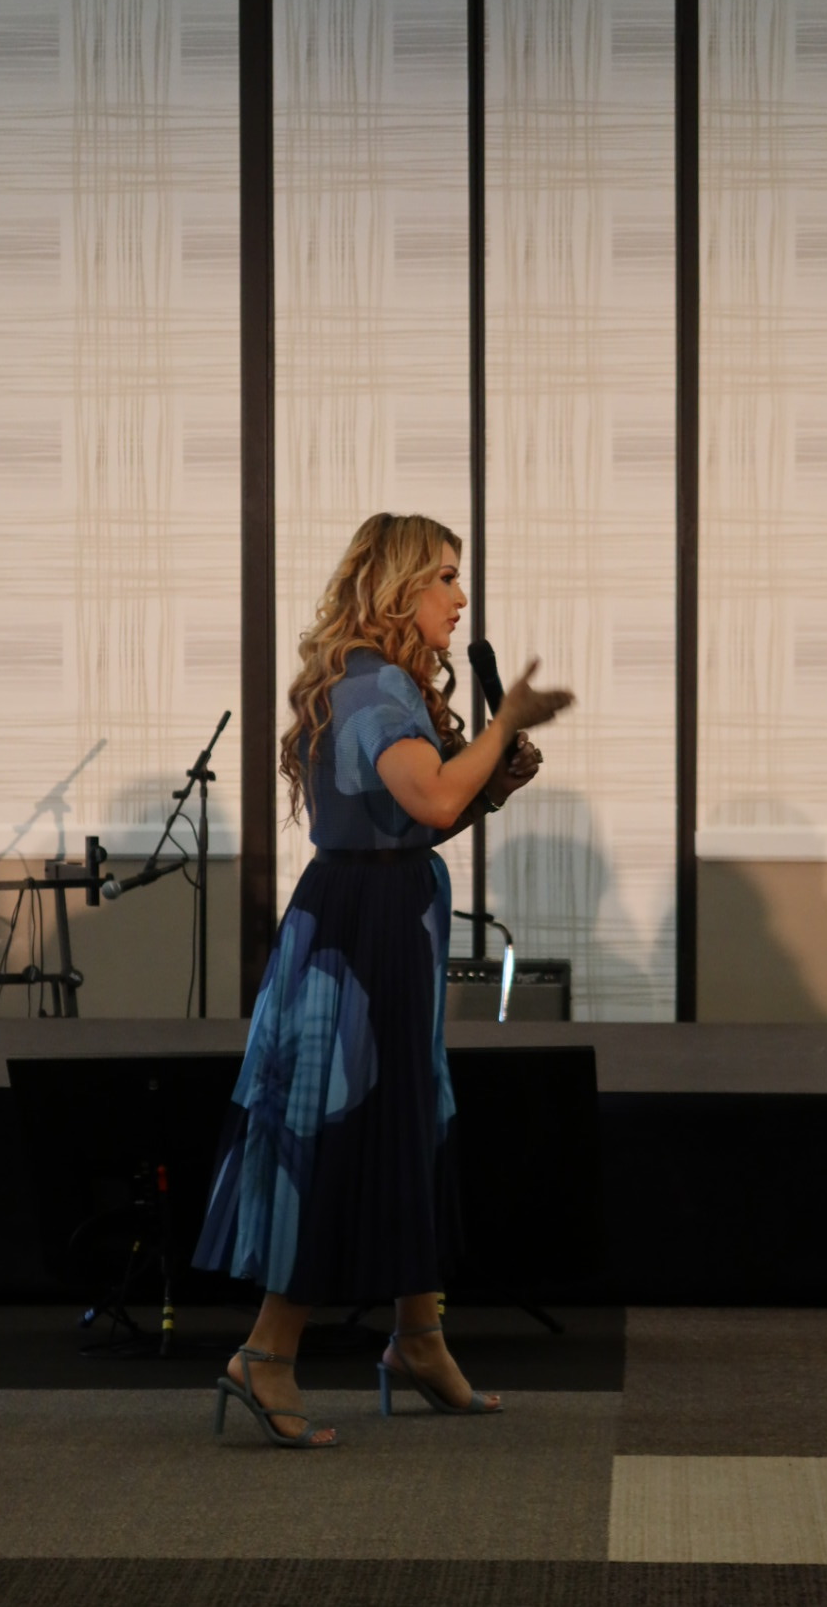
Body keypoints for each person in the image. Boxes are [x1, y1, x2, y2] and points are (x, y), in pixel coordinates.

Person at [194, 511, 575, 1448]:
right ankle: (266, 1353)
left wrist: (494, 778)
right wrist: (502, 730)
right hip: (358, 937)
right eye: (444, 576)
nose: (459, 596)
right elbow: (434, 799)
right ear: (399, 588)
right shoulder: (373, 684)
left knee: (407, 1117)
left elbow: (412, 819)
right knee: (338, 1128)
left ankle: (418, 1337)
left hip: (383, 916)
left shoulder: (379, 682)